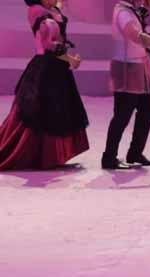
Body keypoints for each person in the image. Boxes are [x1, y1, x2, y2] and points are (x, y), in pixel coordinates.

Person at [0, 0, 89, 170]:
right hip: (45, 69)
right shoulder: (37, 11)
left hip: (59, 69)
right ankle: (36, 155)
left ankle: (51, 156)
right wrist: (70, 59)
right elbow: (49, 45)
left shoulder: (54, 8)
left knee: (56, 111)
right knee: (38, 113)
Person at [101, 0, 150, 170]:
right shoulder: (122, 12)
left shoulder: (129, 10)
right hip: (127, 68)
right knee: (122, 115)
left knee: (148, 109)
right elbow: (135, 35)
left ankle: (135, 152)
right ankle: (109, 157)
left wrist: (142, 11)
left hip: (138, 66)